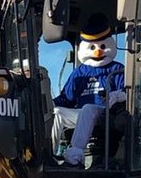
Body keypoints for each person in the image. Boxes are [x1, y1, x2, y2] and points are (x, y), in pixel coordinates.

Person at [53, 13, 126, 166]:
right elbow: (67, 98)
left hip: (105, 113)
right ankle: (50, 154)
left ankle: (75, 154)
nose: (98, 51)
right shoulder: (80, 72)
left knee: (88, 108)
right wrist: (49, 104)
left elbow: (126, 92)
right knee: (57, 112)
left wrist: (115, 96)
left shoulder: (117, 69)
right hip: (82, 114)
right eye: (93, 47)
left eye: (102, 46)